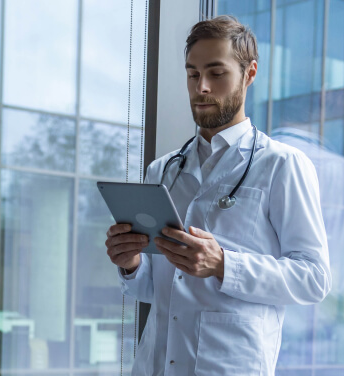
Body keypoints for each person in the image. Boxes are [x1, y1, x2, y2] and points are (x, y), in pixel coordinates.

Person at [105, 15, 331, 375]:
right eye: (193, 74)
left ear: (249, 73)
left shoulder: (282, 165)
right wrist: (130, 263)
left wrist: (224, 264)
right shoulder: (163, 170)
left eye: (216, 73)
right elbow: (155, 288)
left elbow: (314, 279)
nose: (202, 87)